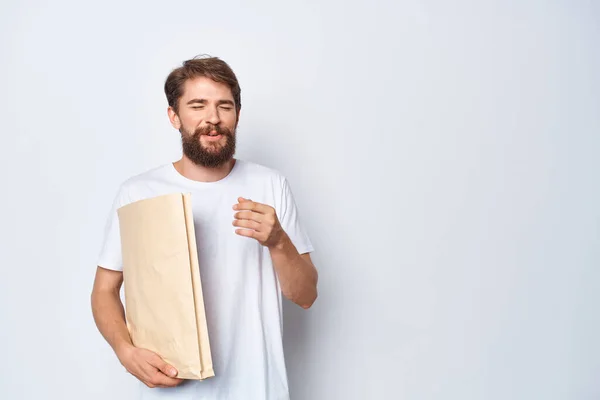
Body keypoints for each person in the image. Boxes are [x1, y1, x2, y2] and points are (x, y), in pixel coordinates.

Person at [90, 55, 318, 400]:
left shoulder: (270, 185)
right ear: (174, 116)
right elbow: (104, 290)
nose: (213, 119)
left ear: (237, 114)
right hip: (172, 388)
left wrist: (278, 242)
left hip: (259, 390)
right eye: (198, 105)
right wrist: (125, 350)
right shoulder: (137, 192)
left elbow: (306, 295)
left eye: (224, 106)